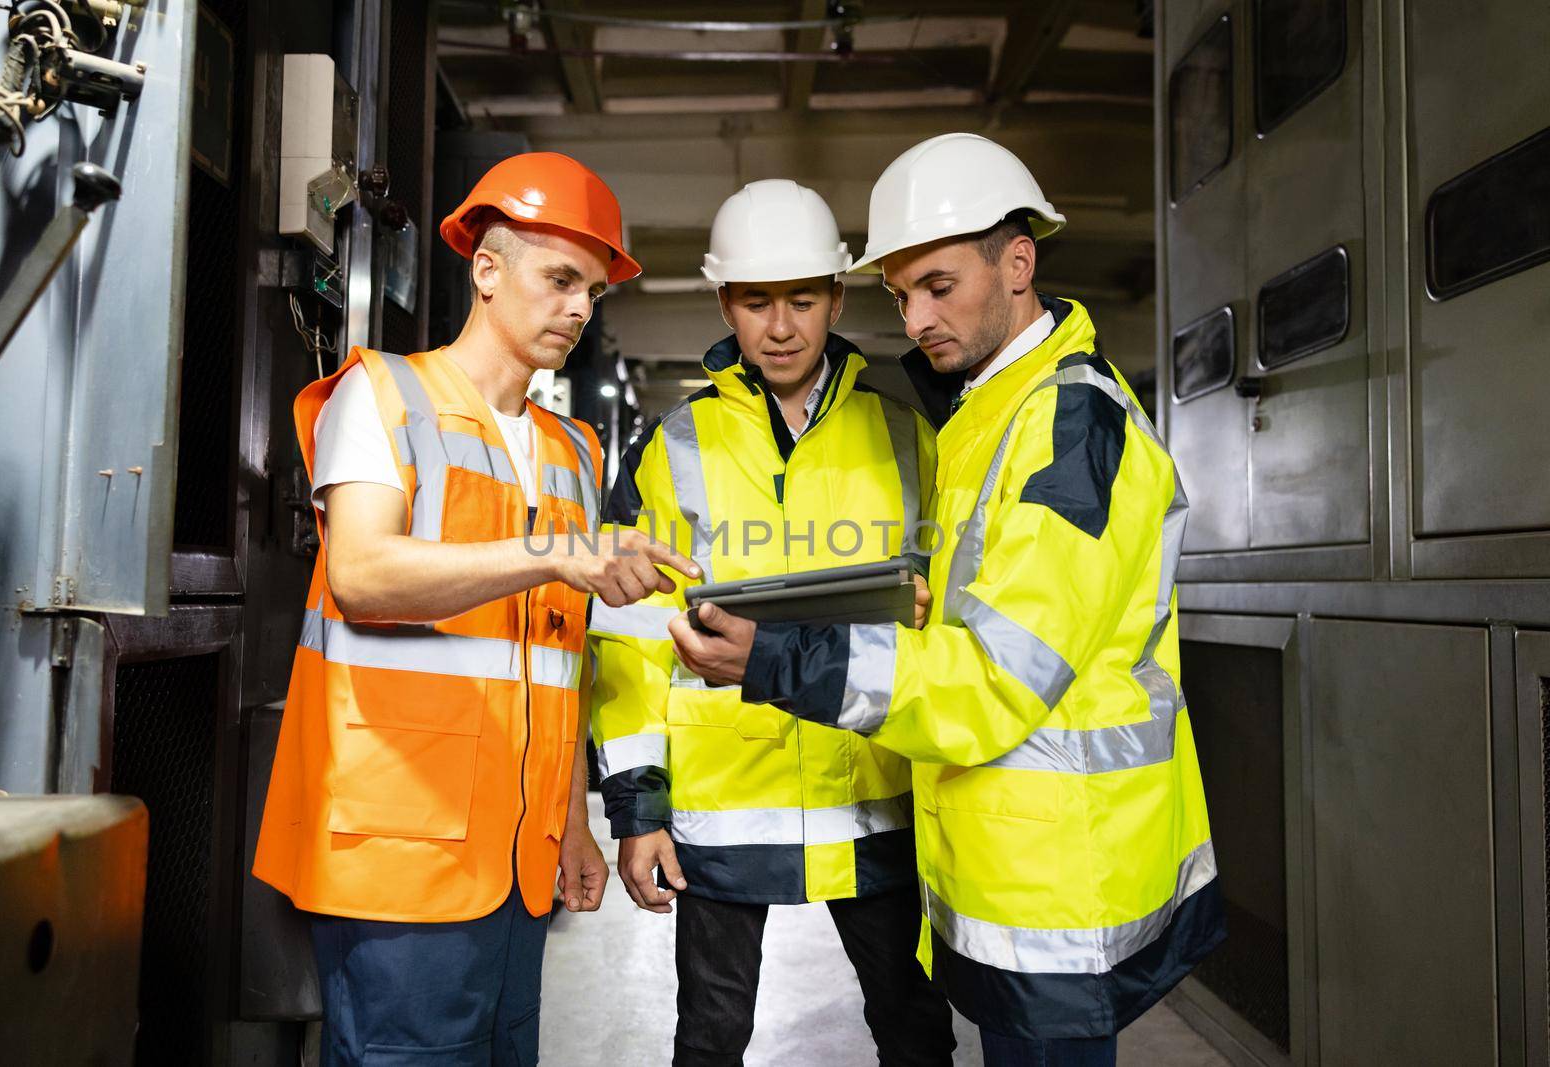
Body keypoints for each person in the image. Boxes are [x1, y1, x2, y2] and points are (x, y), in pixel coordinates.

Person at [669, 134, 1225, 1067]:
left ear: (1018, 261)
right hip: (1001, 865)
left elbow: (1001, 677)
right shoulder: (986, 414)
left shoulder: (1069, 424)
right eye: (899, 294)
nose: (916, 316)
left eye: (938, 284)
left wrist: (773, 659)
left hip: (1061, 885)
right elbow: (998, 615)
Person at [253, 151, 698, 1066]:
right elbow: (365, 575)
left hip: (517, 853)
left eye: (594, 291)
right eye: (562, 278)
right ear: (486, 270)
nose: (580, 308)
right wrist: (556, 552)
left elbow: (559, 659)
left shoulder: (572, 449)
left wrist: (572, 817)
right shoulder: (382, 395)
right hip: (398, 849)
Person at [588, 178, 954, 1066]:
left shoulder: (910, 434)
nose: (780, 326)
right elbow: (630, 644)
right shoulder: (671, 447)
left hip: (877, 804)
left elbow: (951, 624)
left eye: (801, 299)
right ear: (725, 302)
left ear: (837, 296)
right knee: (709, 1041)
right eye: (756, 300)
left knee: (915, 1033)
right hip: (724, 813)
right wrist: (639, 810)